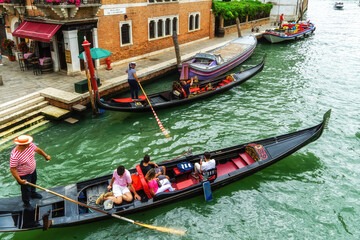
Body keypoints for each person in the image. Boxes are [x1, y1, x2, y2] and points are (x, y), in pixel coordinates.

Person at [9, 135, 51, 210]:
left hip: (32, 170)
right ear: (23, 144)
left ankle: (33, 193)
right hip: (23, 175)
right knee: (25, 190)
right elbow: (13, 169)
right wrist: (19, 180)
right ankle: (26, 203)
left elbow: (38, 150)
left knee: (34, 182)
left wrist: (45, 156)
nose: (30, 143)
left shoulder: (30, 145)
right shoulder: (15, 156)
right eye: (28, 142)